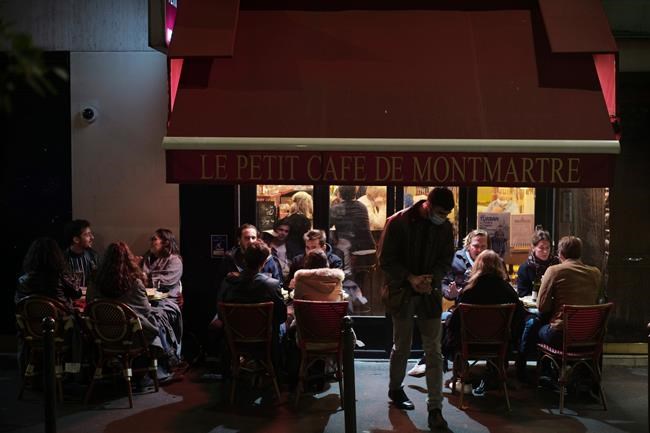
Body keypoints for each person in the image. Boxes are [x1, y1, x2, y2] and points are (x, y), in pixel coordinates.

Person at [378, 187, 455, 430]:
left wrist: (431, 279)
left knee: (434, 351)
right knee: (402, 345)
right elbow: (385, 259)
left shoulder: (444, 227)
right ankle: (395, 389)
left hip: (428, 292)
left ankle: (435, 408)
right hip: (402, 291)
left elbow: (446, 259)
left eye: (446, 214)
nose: (443, 217)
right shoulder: (398, 222)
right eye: (440, 212)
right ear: (427, 205)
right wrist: (410, 278)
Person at [94, 241, 183, 383]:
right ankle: (164, 364)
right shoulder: (135, 284)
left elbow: (90, 304)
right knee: (156, 320)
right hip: (132, 336)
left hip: (103, 336)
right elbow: (146, 311)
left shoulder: (95, 283)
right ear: (128, 259)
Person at [442, 250, 526, 394]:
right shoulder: (508, 290)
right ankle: (496, 374)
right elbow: (519, 316)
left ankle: (463, 377)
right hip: (498, 346)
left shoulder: (469, 290)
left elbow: (456, 322)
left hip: (469, 345)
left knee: (449, 326)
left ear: (477, 266)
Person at [408, 229, 489, 378]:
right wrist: (450, 293)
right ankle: (434, 359)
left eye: (483, 246)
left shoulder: (491, 261)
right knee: (444, 319)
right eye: (476, 246)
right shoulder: (455, 260)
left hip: (487, 313)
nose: (479, 250)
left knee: (449, 320)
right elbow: (444, 283)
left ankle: (435, 359)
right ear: (468, 245)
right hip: (462, 310)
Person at [219, 240, 287, 365]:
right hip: (265, 341)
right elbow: (281, 316)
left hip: (235, 340)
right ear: (264, 262)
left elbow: (220, 315)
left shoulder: (228, 283)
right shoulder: (271, 285)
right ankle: (277, 368)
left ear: (244, 260)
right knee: (282, 326)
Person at [537, 236, 601, 348]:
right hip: (589, 334)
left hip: (562, 334)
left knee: (537, 328)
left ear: (561, 254)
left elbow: (541, 306)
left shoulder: (553, 271)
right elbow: (597, 300)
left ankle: (538, 359)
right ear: (580, 253)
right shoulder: (596, 273)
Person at [16, 237, 82, 311]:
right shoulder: (60, 277)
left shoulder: (22, 280)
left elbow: (18, 303)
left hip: (31, 317)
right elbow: (77, 294)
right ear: (56, 255)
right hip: (62, 317)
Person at [329, 185, 376, 276]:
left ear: (339, 194)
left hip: (351, 252)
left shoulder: (337, 208)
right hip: (370, 249)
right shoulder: (362, 206)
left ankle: (344, 278)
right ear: (355, 193)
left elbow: (327, 225)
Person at [220, 224, 283, 291]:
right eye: (247, 238)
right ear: (239, 239)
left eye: (253, 238)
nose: (251, 241)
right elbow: (221, 285)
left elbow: (278, 285)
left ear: (257, 239)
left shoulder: (268, 258)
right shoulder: (230, 258)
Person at [142, 228, 184, 305]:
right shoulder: (147, 257)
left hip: (164, 302)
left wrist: (144, 279)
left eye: (154, 239)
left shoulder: (174, 260)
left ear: (165, 243)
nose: (151, 242)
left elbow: (165, 283)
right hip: (146, 300)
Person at [516, 227, 560, 297]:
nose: (545, 251)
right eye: (541, 248)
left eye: (547, 248)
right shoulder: (526, 267)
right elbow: (522, 293)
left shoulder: (556, 263)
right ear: (533, 248)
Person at [63, 219, 100, 288]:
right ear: (76, 239)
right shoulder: (63, 259)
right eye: (87, 235)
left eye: (91, 234)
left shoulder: (93, 256)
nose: (92, 237)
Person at [261, 219, 300, 285]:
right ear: (275, 230)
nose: (283, 233)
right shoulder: (267, 245)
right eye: (281, 230)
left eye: (286, 231)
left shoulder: (290, 247)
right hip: (271, 280)